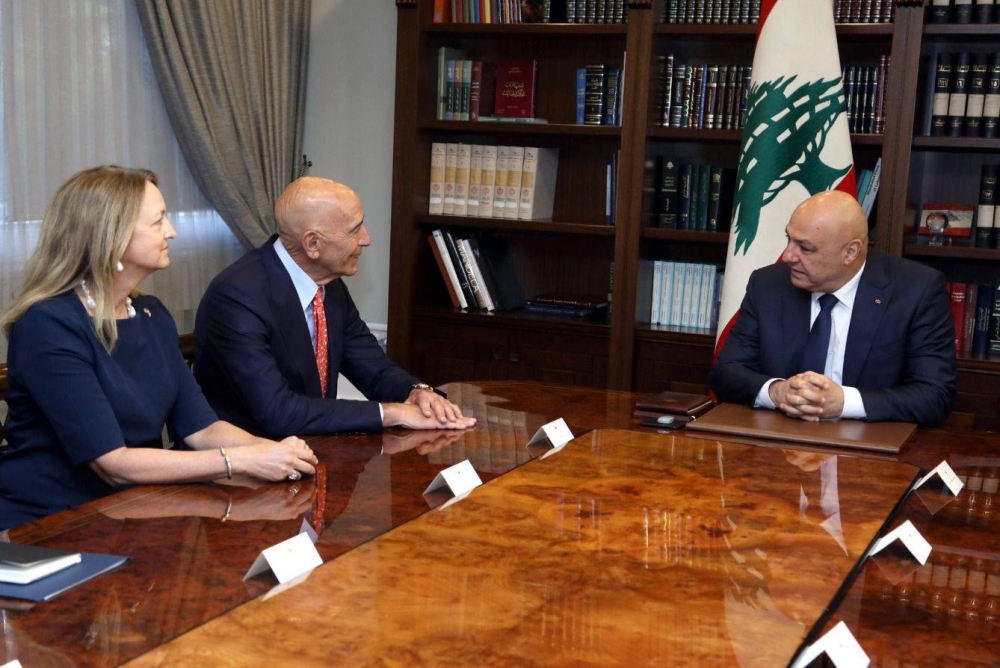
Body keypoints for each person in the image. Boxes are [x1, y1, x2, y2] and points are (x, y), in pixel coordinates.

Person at [0, 166, 318, 530]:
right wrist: (242, 461)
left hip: (136, 510)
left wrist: (274, 452)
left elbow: (203, 429)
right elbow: (113, 464)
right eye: (158, 222)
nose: (172, 231)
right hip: (52, 524)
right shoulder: (48, 325)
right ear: (113, 237)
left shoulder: (152, 314)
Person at [194, 177, 475, 438]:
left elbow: (373, 368)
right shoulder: (236, 297)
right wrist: (391, 413)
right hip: (244, 463)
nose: (366, 239)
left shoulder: (329, 285)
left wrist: (416, 393)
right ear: (312, 243)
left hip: (312, 450)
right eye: (354, 230)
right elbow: (279, 412)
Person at [709, 190, 956, 427]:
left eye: (805, 248)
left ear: (850, 252)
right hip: (776, 439)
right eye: (789, 239)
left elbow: (935, 396)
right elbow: (725, 373)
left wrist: (843, 402)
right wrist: (776, 392)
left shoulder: (916, 291)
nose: (787, 256)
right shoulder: (768, 285)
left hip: (867, 447)